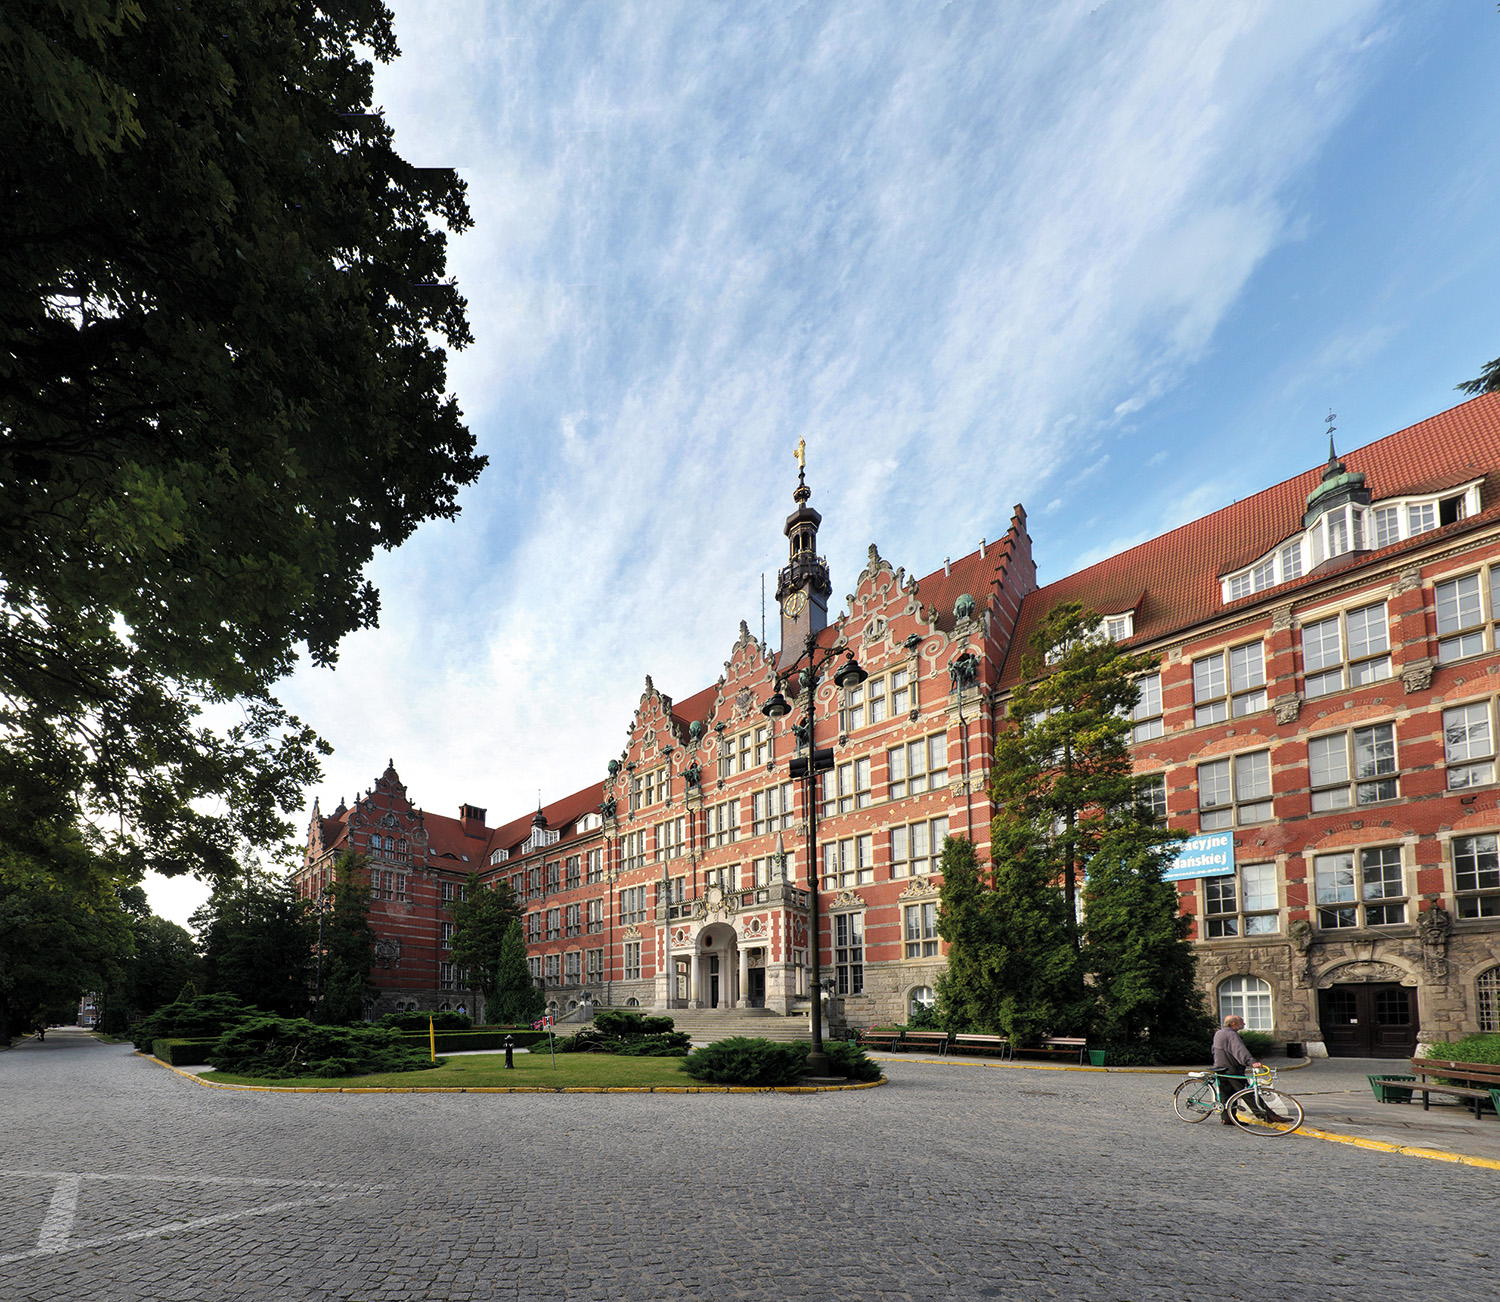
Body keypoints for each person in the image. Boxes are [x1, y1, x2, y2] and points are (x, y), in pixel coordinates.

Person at [1212, 1014, 1262, 1125]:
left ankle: (1227, 1118)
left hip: (1220, 1067)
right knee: (1245, 1092)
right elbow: (1240, 1050)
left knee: (1227, 1094)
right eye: (1242, 1022)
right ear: (1234, 1024)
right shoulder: (1231, 1035)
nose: (1244, 1024)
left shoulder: (1219, 1033)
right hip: (1231, 1068)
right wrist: (1252, 1062)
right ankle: (1265, 1115)